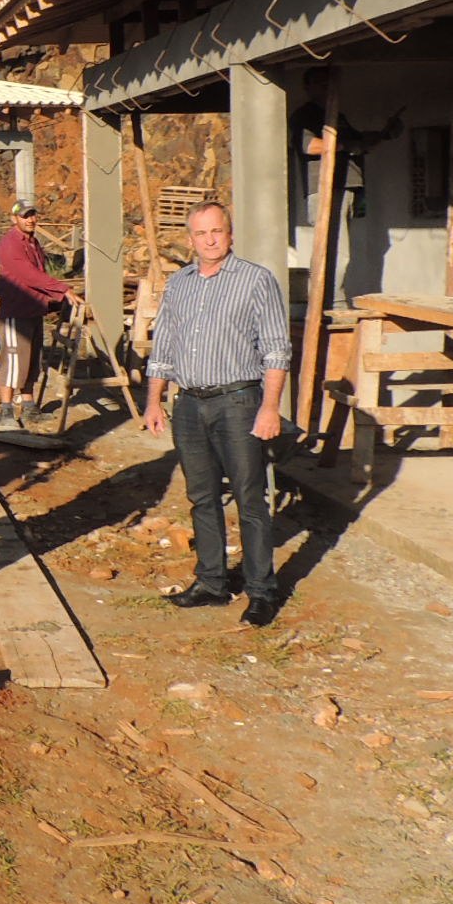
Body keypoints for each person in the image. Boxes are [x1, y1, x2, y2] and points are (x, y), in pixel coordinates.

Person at [142, 202, 293, 627]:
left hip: (238, 402)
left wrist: (269, 407)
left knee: (249, 497)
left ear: (230, 234)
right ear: (190, 240)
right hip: (189, 404)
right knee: (201, 496)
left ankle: (261, 591)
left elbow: (277, 349)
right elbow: (163, 348)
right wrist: (154, 401)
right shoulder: (180, 285)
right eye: (201, 233)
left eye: (217, 231)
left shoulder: (255, 281)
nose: (210, 239)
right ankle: (211, 582)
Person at [291, 69, 402, 305]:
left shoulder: (336, 115)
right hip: (326, 187)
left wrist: (382, 135)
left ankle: (332, 298)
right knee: (335, 248)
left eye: (327, 83)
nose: (324, 87)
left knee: (341, 247)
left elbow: (357, 142)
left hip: (346, 185)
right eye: (319, 82)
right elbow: (310, 146)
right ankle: (332, 301)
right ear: (308, 87)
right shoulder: (306, 115)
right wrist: (342, 144)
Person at [0, 199, 75, 428]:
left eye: (33, 215)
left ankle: (28, 407)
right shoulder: (10, 244)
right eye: (25, 216)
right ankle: (6, 410)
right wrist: (62, 290)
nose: (30, 219)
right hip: (14, 312)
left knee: (31, 359)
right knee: (12, 360)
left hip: (33, 310)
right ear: (14, 219)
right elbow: (29, 276)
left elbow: (38, 273)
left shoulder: (33, 242)